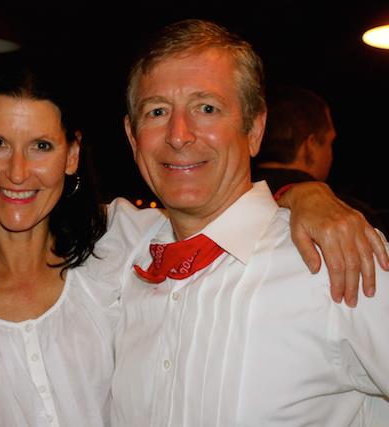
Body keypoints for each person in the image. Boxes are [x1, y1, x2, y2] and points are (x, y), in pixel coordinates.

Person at [0, 56, 388, 426]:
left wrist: (304, 195)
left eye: (41, 146)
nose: (17, 171)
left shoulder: (117, 244)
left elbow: (220, 211)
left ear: (72, 155)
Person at [110, 19, 389, 425]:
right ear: (132, 137)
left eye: (207, 108)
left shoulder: (336, 260)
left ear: (255, 129)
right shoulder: (119, 255)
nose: (178, 134)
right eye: (157, 111)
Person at [253, 84, 387, 234]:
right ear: (310, 145)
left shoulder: (237, 196)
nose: (331, 156)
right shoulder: (347, 216)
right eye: (330, 142)